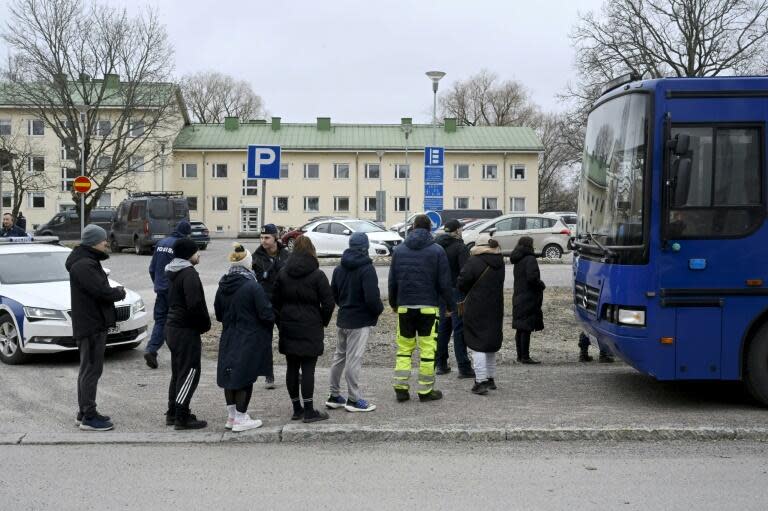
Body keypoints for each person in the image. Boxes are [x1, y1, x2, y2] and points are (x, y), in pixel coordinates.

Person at [65, 224, 126, 431]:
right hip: (91, 324)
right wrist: (118, 292)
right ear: (93, 242)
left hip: (91, 322)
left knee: (88, 370)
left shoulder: (87, 261)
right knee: (91, 370)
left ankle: (84, 412)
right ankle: (89, 417)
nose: (106, 243)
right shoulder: (84, 264)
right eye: (103, 241)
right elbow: (101, 292)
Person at [388, 214, 453, 403]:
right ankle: (425, 391)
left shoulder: (399, 250)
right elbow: (444, 282)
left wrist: (394, 304)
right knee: (427, 349)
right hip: (428, 307)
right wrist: (449, 306)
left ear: (413, 227)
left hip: (405, 307)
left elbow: (392, 281)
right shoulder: (437, 250)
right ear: (429, 229)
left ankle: (401, 388)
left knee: (404, 348)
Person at [272, 236, 335, 423]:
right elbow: (329, 303)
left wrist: (280, 322)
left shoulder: (283, 273)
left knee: (292, 367)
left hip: (289, 327)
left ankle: (296, 408)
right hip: (311, 327)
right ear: (311, 251)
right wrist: (321, 321)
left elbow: (274, 303)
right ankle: (309, 410)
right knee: (308, 368)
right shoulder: (318, 275)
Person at [214, 243, 274, 432]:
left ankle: (232, 417)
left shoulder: (223, 284)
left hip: (229, 335)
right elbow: (266, 314)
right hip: (248, 336)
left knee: (230, 374)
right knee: (245, 377)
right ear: (248, 263)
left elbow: (218, 313)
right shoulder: (252, 286)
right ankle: (241, 418)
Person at [326, 233, 384, 413]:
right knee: (353, 360)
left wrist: (344, 305)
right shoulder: (367, 269)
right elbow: (372, 298)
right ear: (365, 248)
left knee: (339, 357)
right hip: (359, 321)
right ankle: (354, 399)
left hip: (343, 317)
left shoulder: (339, 268)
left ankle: (334, 396)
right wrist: (378, 310)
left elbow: (333, 293)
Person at [165, 238, 210, 430]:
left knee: (178, 372)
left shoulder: (173, 272)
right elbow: (195, 304)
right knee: (190, 372)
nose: (199, 254)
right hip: (185, 329)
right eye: (196, 251)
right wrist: (204, 325)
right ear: (188, 254)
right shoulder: (189, 274)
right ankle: (181, 416)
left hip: (173, 327)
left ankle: (173, 413)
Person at [457, 234, 505, 395]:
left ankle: (480, 381)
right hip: (496, 306)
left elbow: (462, 283)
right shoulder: (500, 262)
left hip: (477, 306)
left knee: (477, 343)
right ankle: (490, 378)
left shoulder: (474, 261)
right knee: (490, 343)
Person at [144, 220, 192, 369]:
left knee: (160, 321)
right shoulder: (180, 246)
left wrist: (158, 284)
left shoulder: (161, 243)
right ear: (186, 233)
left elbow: (152, 269)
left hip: (161, 290)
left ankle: (151, 349)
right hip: (174, 290)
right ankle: (179, 353)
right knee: (177, 322)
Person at [433, 219, 473, 378]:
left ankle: (441, 364)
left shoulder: (437, 247)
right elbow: (466, 273)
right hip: (457, 291)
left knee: (443, 328)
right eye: (461, 229)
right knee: (459, 328)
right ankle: (463, 367)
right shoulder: (460, 247)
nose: (462, 231)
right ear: (457, 231)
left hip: (441, 292)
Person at [252, 223, 290, 389]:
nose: (263, 241)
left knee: (288, 338)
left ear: (276, 238)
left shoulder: (286, 255)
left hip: (283, 304)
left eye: (267, 237)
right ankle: (269, 374)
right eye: (261, 237)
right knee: (265, 340)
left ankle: (294, 371)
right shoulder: (256, 257)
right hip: (265, 304)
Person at [509, 236, 545, 364]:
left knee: (520, 328)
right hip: (528, 297)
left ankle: (520, 356)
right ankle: (525, 356)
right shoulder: (530, 259)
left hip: (518, 295)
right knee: (526, 328)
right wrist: (541, 285)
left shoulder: (518, 259)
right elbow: (532, 278)